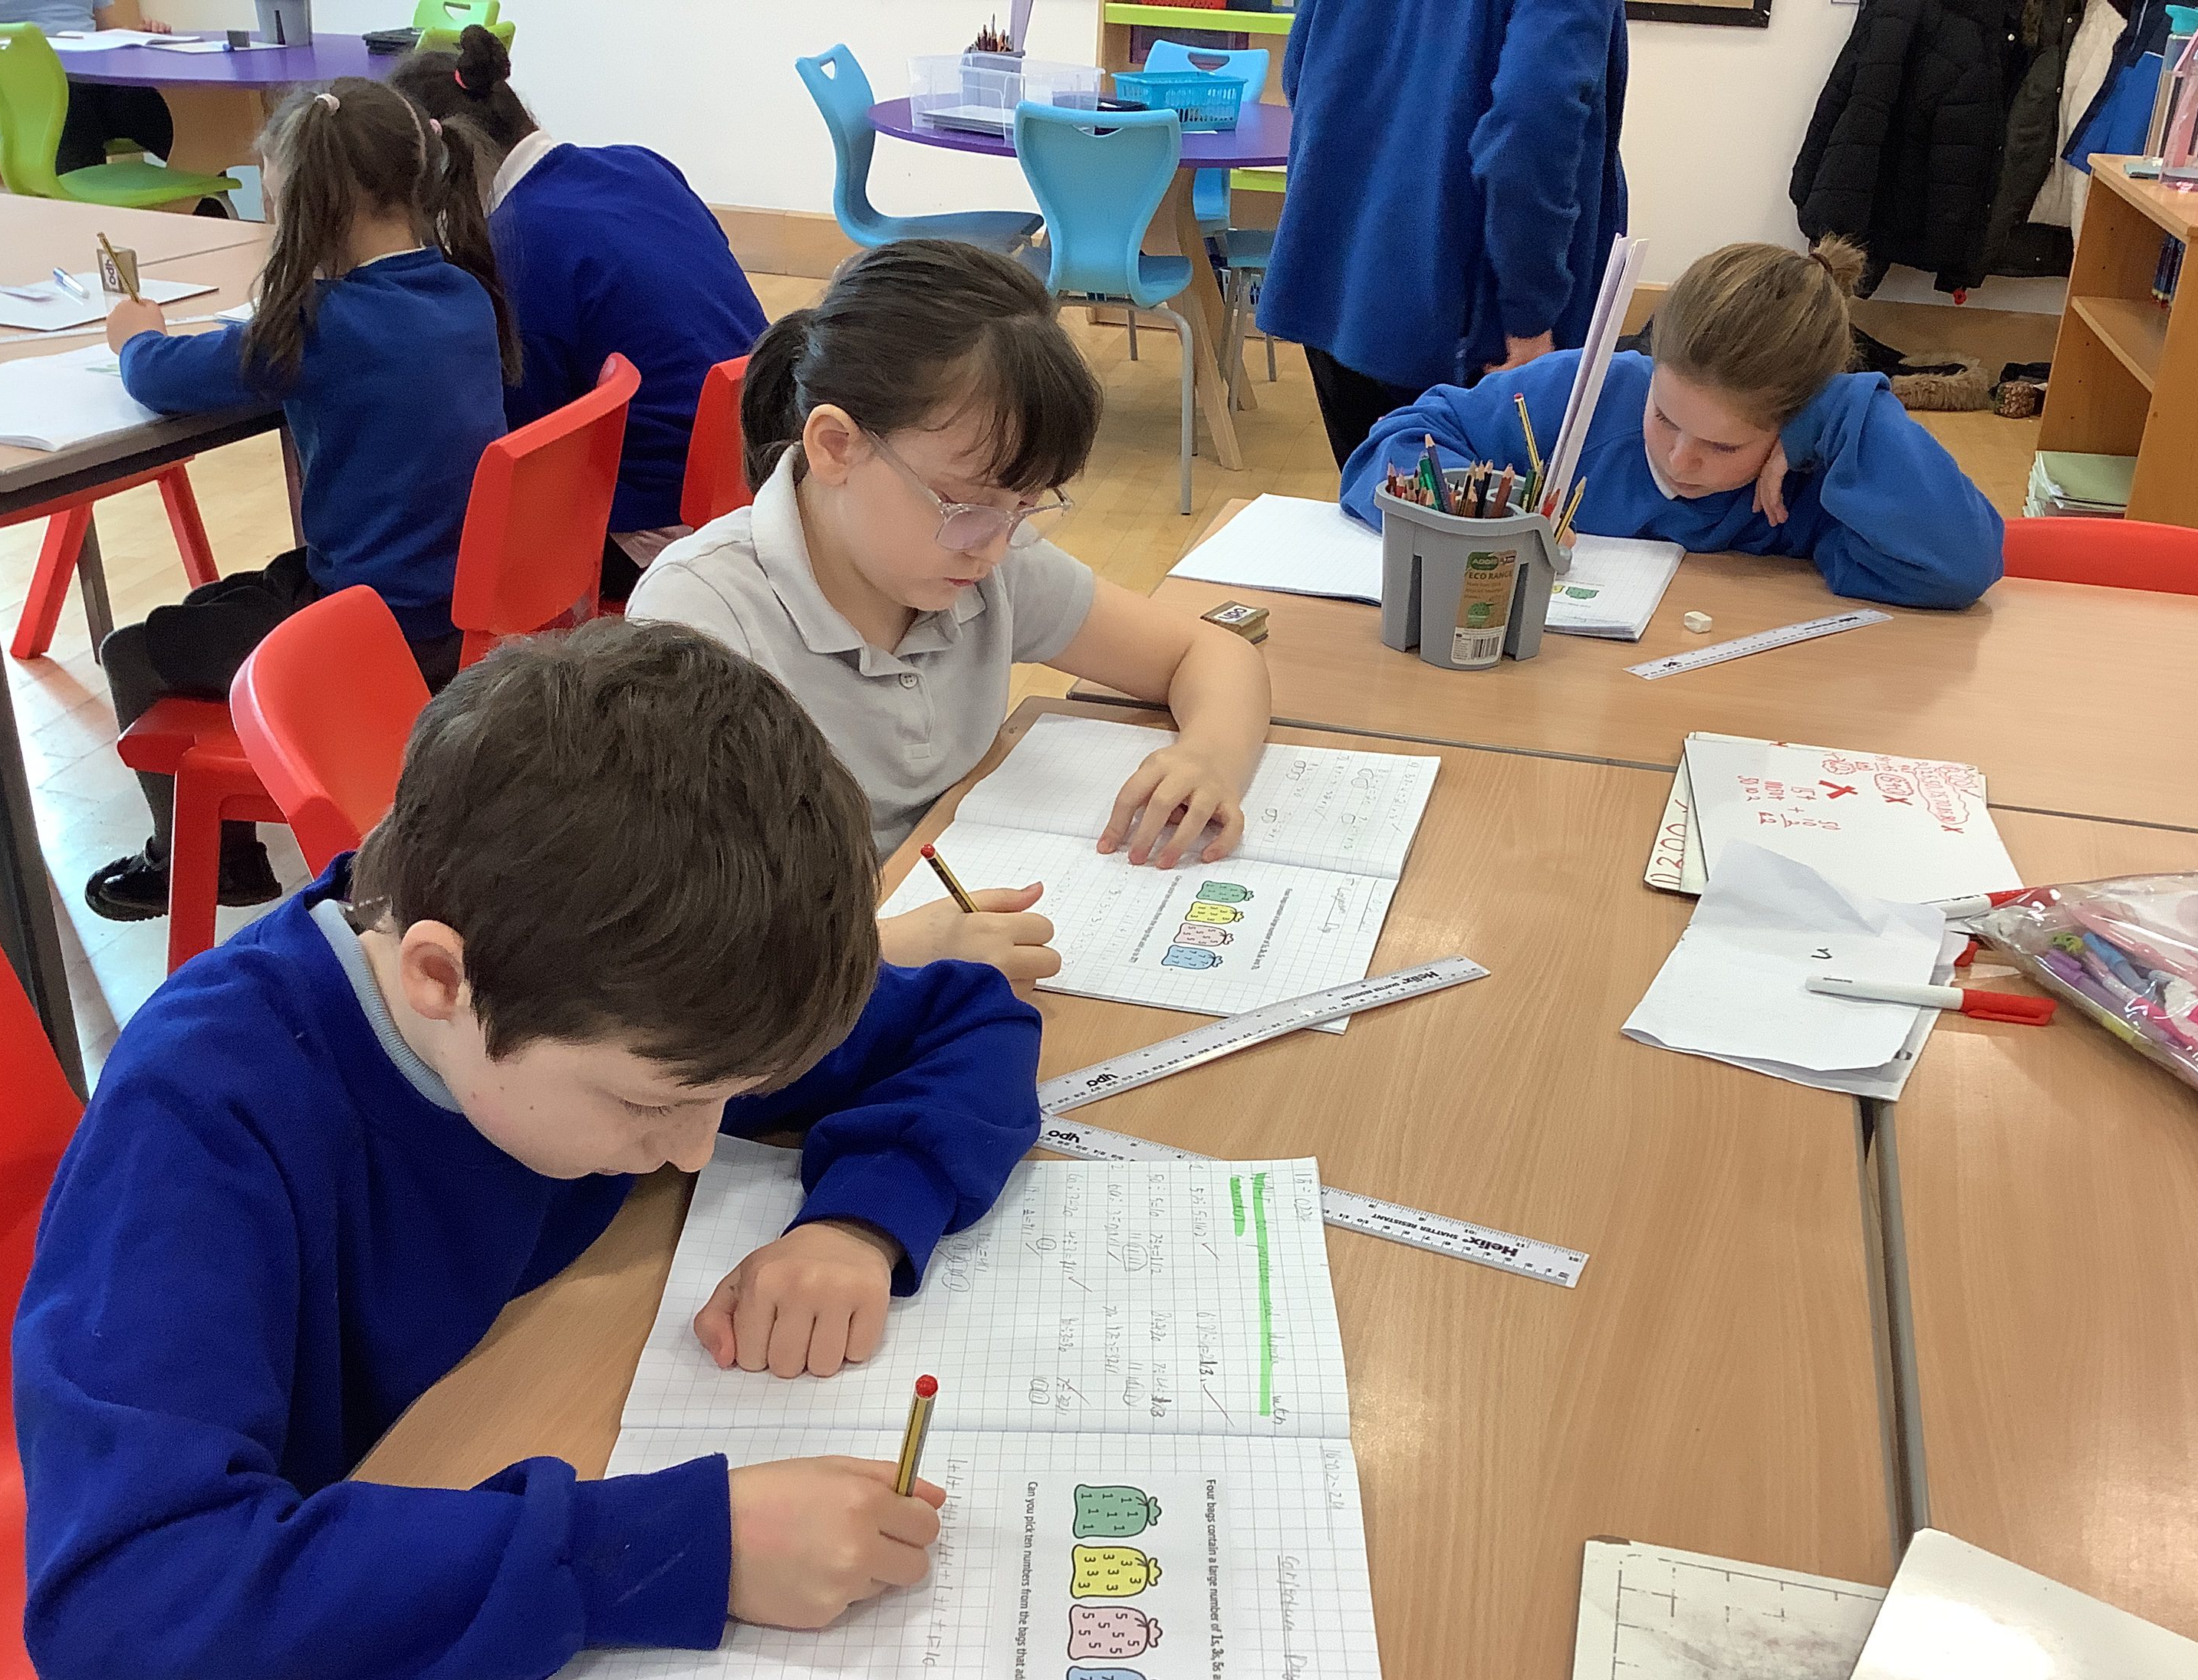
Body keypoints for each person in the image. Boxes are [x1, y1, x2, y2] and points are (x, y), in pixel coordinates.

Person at [17, 622, 1043, 1680]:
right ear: (439, 977)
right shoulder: (200, 1122)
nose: (695, 1149)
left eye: (731, 1099)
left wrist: (859, 1220)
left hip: (471, 1457)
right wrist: (673, 1548)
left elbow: (968, 1018)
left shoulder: (612, 983)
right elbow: (125, 1601)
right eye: (652, 1105)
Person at [629, 239, 1271, 991]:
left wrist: (1209, 757)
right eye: (966, 506)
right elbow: (675, 945)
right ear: (836, 447)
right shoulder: (700, 620)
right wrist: (885, 952)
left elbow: (1210, 653)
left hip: (946, 936)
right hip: (806, 1002)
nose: (995, 546)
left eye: (1024, 507)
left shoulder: (979, 562)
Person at [84, 78, 515, 924]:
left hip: (377, 627)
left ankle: (205, 863)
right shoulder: (464, 294)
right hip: (453, 605)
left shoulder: (318, 325)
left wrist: (134, 335)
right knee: (218, 605)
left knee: (133, 651)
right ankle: (221, 850)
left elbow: (162, 377)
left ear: (311, 206)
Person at [1340, 239, 2006, 611]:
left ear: (1792, 423)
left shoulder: (1814, 474)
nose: (1682, 459)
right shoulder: (1582, 393)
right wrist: (1479, 510)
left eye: (1724, 445)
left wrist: (1839, 411)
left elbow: (1959, 566)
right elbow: (1393, 446)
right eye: (1664, 416)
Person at [388, 26, 768, 603]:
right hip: (753, 478)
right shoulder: (640, 164)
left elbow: (529, 447)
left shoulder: (517, 242)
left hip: (664, 525)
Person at [1259, 0, 1628, 470]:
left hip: (1340, 276)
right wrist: (1530, 315)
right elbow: (1532, 124)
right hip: (1476, 324)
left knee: (1376, 506)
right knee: (1485, 517)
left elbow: (1303, 71)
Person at [0, 0, 179, 177]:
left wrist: (138, 33)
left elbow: (108, 27)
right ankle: (83, 210)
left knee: (167, 109)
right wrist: (7, 52)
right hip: (35, 85)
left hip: (94, 77)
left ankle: (197, 199)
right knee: (71, 109)